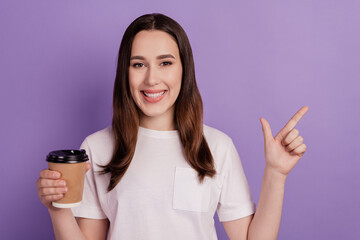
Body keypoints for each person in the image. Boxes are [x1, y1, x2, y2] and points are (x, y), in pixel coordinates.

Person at [36, 13, 308, 240]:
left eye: (165, 63)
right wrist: (57, 208)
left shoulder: (217, 146)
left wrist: (276, 174)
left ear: (183, 69)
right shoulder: (96, 148)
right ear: (125, 72)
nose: (152, 78)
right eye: (138, 64)